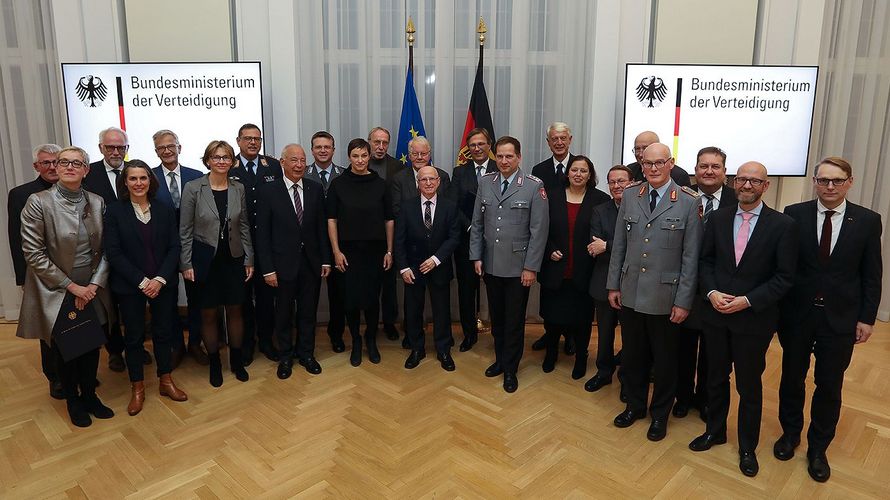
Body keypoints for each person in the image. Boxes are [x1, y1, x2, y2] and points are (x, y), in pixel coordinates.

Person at [776, 157, 882, 482]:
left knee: (829, 385)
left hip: (841, 320)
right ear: (815, 182)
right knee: (791, 378)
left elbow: (871, 275)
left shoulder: (866, 220)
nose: (830, 187)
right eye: (824, 180)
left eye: (837, 180)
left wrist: (867, 317)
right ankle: (790, 433)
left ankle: (818, 447)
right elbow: (784, 267)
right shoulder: (794, 214)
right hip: (797, 316)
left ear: (850, 182)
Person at [690, 161, 797, 478]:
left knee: (749, 386)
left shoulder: (783, 225)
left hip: (754, 320)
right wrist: (710, 293)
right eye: (741, 179)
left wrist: (748, 301)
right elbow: (705, 261)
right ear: (734, 183)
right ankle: (715, 431)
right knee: (714, 378)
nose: (746, 185)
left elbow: (785, 277)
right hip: (716, 315)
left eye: (754, 181)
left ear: (766, 186)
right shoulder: (718, 218)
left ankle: (747, 447)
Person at [606, 143, 701, 442]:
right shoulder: (631, 195)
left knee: (664, 362)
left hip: (666, 298)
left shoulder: (688, 201)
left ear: (671, 164)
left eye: (660, 163)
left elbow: (691, 257)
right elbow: (619, 245)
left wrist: (684, 300)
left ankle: (660, 415)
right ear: (641, 165)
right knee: (633, 357)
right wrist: (613, 285)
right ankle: (635, 406)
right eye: (648, 163)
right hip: (631, 292)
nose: (654, 169)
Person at [17, 146, 114, 427]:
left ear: (86, 170)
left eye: (77, 163)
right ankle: (73, 400)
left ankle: (91, 396)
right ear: (56, 169)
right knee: (68, 347)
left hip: (92, 286)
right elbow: (33, 253)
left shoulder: (96, 202)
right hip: (57, 287)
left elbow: (108, 249)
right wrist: (72, 287)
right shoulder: (38, 202)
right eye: (64, 163)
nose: (70, 167)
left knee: (92, 343)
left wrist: (94, 284)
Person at [104, 160, 188, 416]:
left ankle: (165, 380)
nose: (139, 183)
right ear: (125, 182)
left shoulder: (163, 209)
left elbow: (175, 247)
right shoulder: (115, 212)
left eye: (143, 178)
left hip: (162, 284)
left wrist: (160, 279)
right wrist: (142, 281)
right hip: (131, 286)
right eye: (133, 179)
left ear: (150, 181)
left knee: (164, 333)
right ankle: (137, 387)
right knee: (134, 337)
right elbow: (114, 253)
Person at [470, 136, 549, 393]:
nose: (504, 161)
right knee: (498, 317)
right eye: (500, 156)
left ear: (519, 158)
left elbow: (539, 231)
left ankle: (511, 369)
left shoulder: (533, 186)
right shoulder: (485, 182)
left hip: (518, 267)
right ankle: (500, 360)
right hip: (491, 263)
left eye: (509, 156)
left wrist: (531, 267)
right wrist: (477, 256)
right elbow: (477, 224)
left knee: (514, 320)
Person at [180, 140, 255, 387]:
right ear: (208, 160)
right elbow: (185, 229)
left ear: (232, 161)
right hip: (205, 262)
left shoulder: (238, 188)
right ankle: (214, 362)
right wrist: (186, 263)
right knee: (209, 313)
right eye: (216, 157)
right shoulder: (193, 188)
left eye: (226, 157)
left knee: (235, 310)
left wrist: (249, 258)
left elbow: (243, 225)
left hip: (233, 259)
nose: (221, 161)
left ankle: (236, 360)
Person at [256, 144, 331, 379]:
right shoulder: (269, 191)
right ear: (282, 163)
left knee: (308, 312)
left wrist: (326, 261)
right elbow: (263, 235)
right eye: (293, 160)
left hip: (311, 263)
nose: (299, 165)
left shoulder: (315, 189)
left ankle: (306, 354)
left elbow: (321, 229)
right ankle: (286, 356)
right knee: (284, 313)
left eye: (302, 161)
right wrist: (267, 269)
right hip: (281, 266)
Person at [675, 146, 737, 420]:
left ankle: (706, 399)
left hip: (720, 288)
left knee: (714, 352)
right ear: (695, 169)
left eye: (715, 166)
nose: (709, 171)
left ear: (724, 171)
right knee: (683, 348)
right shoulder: (681, 195)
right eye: (703, 166)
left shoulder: (738, 200)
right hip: (684, 284)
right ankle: (683, 396)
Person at [538, 156, 609, 379]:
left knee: (582, 320)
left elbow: (604, 234)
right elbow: (540, 229)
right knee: (551, 317)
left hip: (584, 271)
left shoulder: (600, 199)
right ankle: (551, 353)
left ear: (590, 175)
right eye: (574, 170)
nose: (578, 174)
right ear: (567, 173)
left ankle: (581, 357)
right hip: (554, 267)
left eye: (583, 171)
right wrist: (549, 249)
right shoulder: (551, 196)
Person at [327, 138, 394, 366]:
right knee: (351, 300)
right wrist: (336, 251)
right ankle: (356, 340)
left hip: (375, 251)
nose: (360, 160)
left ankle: (371, 339)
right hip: (348, 252)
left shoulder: (381, 184)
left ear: (369, 157)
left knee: (372, 299)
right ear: (348, 158)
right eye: (355, 156)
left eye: (364, 156)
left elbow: (389, 220)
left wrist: (389, 250)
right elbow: (331, 220)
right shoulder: (338, 184)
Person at [7, 143, 62, 399]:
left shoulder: (77, 190)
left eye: (56, 162)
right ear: (36, 166)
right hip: (40, 275)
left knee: (77, 323)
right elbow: (17, 241)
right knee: (48, 328)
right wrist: (22, 278)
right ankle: (55, 378)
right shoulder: (21, 195)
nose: (52, 167)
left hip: (74, 274)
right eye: (46, 163)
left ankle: (78, 372)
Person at [151, 129, 208, 367]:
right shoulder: (149, 178)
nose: (166, 151)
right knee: (168, 299)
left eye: (170, 146)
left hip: (194, 247)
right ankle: (176, 345)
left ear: (179, 148)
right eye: (161, 148)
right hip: (161, 249)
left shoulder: (197, 176)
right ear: (156, 151)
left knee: (197, 298)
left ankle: (195, 343)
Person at [395, 166, 461, 371]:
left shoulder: (450, 206)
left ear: (439, 181)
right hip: (413, 268)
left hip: (439, 267)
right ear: (418, 183)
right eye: (424, 180)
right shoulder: (406, 207)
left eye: (432, 179)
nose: (429, 183)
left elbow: (454, 237)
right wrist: (404, 267)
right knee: (413, 310)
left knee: (441, 309)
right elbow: (399, 241)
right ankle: (417, 348)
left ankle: (443, 349)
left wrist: (436, 259)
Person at [82, 127, 134, 372]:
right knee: (107, 306)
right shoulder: (88, 175)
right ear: (100, 147)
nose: (116, 151)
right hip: (100, 254)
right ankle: (114, 350)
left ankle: (135, 346)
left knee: (131, 304)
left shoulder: (135, 172)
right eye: (110, 147)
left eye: (120, 147)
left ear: (126, 149)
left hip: (134, 253)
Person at [229, 123, 281, 364]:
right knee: (242, 297)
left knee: (266, 297)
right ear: (238, 141)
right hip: (239, 244)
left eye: (257, 139)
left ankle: (267, 340)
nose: (252, 143)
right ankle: (247, 342)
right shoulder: (229, 166)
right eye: (247, 139)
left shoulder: (272, 166)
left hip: (268, 242)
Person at [531, 123, 577, 354]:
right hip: (547, 240)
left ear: (570, 139)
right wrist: (546, 245)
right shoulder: (539, 170)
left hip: (573, 239)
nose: (559, 142)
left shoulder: (580, 165)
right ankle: (550, 335)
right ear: (548, 142)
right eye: (554, 139)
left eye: (563, 138)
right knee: (549, 293)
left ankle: (569, 336)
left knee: (570, 294)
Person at [450, 127, 496, 351]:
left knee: (497, 289)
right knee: (466, 290)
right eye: (473, 145)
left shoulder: (502, 168)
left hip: (497, 242)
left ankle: (500, 334)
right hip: (466, 240)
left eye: (481, 144)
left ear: (489, 145)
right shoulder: (460, 172)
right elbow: (453, 205)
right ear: (468, 149)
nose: (477, 148)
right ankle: (469, 334)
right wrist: (471, 227)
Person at [305, 131, 348, 353]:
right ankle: (306, 339)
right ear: (312, 150)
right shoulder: (301, 174)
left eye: (327, 147)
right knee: (307, 294)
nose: (323, 150)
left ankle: (336, 334)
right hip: (309, 244)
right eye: (318, 147)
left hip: (337, 244)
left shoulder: (344, 175)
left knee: (338, 294)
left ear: (333, 149)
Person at [368, 127, 405, 342]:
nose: (380, 147)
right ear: (369, 142)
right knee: (369, 282)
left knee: (389, 283)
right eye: (376, 142)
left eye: (384, 143)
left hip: (391, 233)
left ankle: (390, 322)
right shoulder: (359, 164)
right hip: (367, 234)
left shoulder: (397, 166)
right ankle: (369, 323)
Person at [626, 131, 691, 187]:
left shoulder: (679, 175)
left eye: (645, 148)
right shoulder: (630, 170)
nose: (640, 154)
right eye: (637, 149)